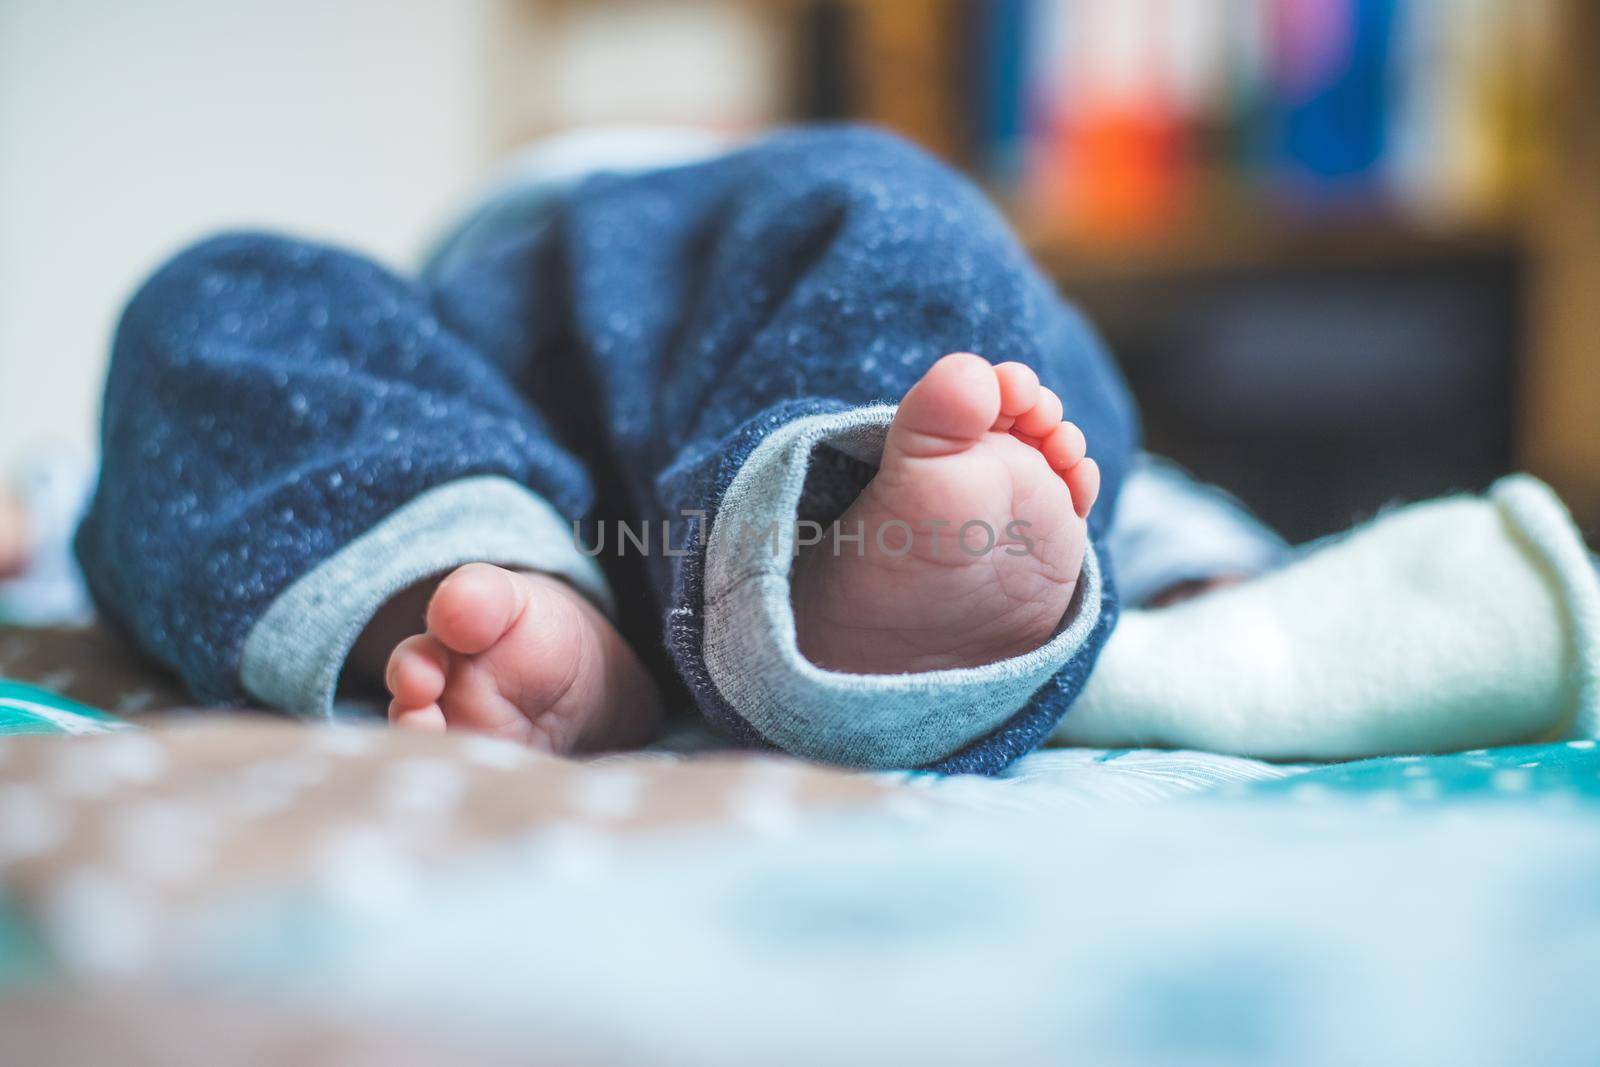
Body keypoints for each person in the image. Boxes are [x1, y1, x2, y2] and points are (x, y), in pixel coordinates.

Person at [73, 126, 1152, 774]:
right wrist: (1212, 571)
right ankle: (490, 587)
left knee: (893, 225)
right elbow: (1164, 522)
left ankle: (838, 539)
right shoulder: (444, 319)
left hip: (773, 377)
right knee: (227, 296)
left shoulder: (757, 207)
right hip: (492, 413)